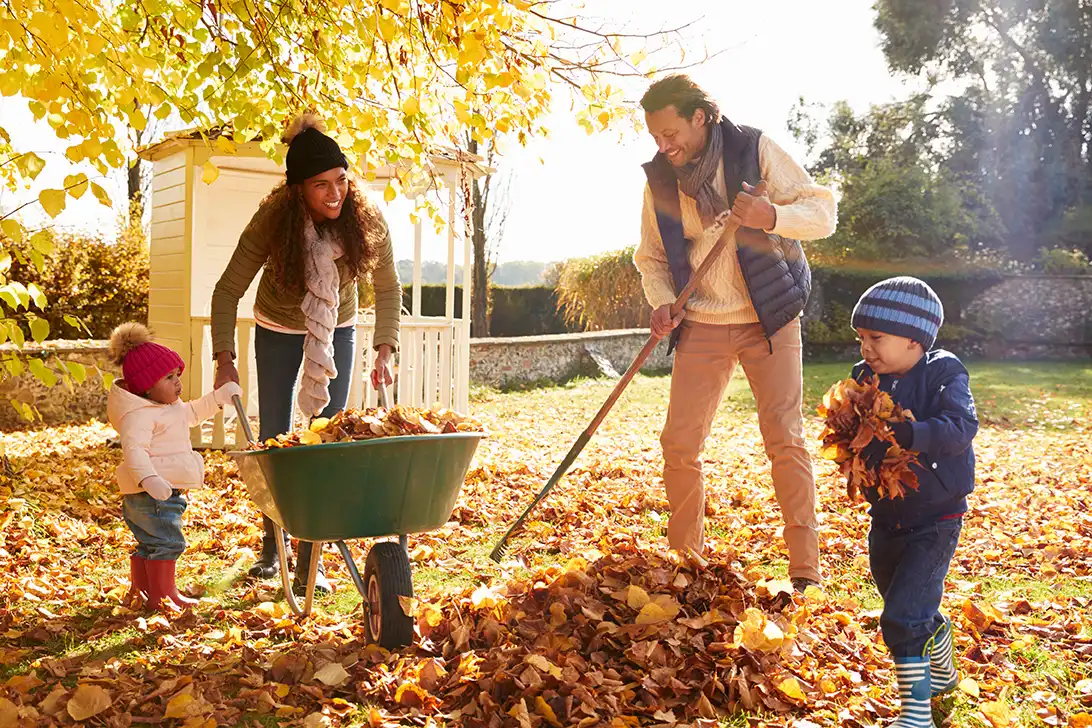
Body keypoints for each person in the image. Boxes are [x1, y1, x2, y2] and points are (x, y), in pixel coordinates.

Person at [633, 74, 836, 591]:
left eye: (671, 132)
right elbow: (652, 257)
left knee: (784, 438)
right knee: (679, 443)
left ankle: (806, 571)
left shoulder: (754, 149)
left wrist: (772, 215)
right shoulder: (660, 179)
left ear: (699, 117)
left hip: (770, 316)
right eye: (656, 136)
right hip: (702, 320)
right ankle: (686, 565)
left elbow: (823, 213)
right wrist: (661, 301)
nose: (665, 144)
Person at [211, 114, 402, 594]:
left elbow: (387, 287)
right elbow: (225, 291)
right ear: (298, 190)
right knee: (275, 437)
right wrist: (224, 358)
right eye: (321, 186)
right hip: (277, 328)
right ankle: (273, 547)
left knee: (327, 439)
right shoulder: (273, 223)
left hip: (336, 327)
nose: (335, 193)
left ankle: (310, 554)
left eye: (341, 180)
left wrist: (385, 348)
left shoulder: (366, 219)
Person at [850, 276, 977, 726]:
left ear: (913, 338)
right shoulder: (865, 378)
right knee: (904, 601)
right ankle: (938, 655)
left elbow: (961, 427)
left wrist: (912, 433)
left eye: (876, 338)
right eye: (861, 337)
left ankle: (915, 714)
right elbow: (857, 428)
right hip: (886, 514)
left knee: (902, 615)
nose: (866, 347)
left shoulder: (945, 372)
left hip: (936, 515)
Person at [107, 323, 242, 611]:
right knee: (168, 543)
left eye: (177, 375)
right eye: (168, 377)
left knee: (150, 544)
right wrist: (149, 479)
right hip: (151, 494)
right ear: (145, 386)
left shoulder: (168, 406)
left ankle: (144, 592)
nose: (178, 382)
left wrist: (218, 398)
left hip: (160, 490)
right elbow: (134, 452)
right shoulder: (139, 416)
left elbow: (193, 413)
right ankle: (164, 597)